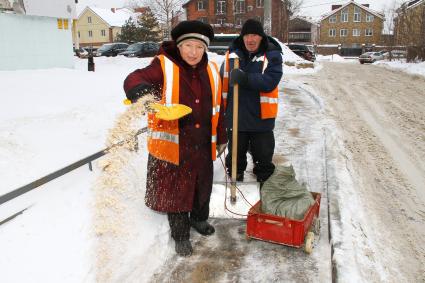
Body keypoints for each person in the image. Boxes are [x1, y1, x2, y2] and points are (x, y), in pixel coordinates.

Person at [123, 20, 228, 257]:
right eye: (188, 46)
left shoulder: (211, 69)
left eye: (199, 47)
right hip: (175, 144)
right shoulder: (164, 66)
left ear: (206, 49)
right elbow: (135, 78)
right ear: (179, 46)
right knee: (178, 192)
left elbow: (219, 108)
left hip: (202, 143)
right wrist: (140, 91)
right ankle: (180, 236)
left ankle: (199, 220)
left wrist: (221, 136)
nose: (193, 52)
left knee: (202, 186)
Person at [221, 19, 283, 185]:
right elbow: (221, 82)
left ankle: (264, 186)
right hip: (236, 117)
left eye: (254, 35)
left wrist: (245, 78)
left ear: (261, 37)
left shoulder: (272, 55)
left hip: (261, 118)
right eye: (247, 35)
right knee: (235, 158)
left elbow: (270, 81)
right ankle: (235, 182)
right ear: (242, 37)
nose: (250, 39)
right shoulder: (232, 55)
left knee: (263, 157)